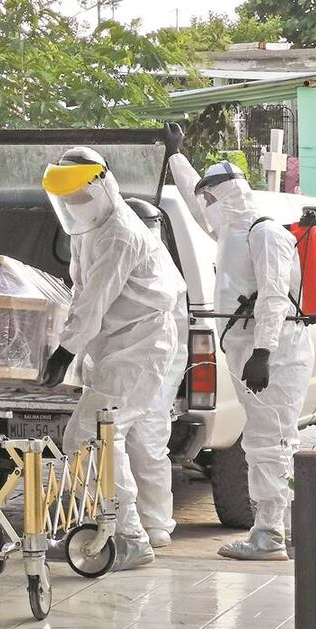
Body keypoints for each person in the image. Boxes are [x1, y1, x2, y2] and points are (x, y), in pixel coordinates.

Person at [164, 123, 314, 561]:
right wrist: (176, 156)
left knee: (269, 442)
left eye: (212, 198)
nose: (205, 206)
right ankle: (292, 525)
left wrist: (264, 352)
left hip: (277, 352)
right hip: (249, 349)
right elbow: (195, 200)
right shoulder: (231, 230)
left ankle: (270, 534)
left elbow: (272, 296)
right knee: (274, 441)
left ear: (227, 196)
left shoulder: (265, 234)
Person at [39, 147, 181, 571]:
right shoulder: (88, 230)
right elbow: (82, 295)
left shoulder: (119, 231)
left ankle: (129, 536)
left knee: (97, 436)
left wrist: (64, 352)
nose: (73, 206)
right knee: (84, 438)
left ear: (102, 186)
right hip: (114, 345)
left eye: (79, 197)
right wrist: (71, 347)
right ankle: (93, 527)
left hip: (141, 345)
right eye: (67, 201)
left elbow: (94, 300)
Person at [123, 197, 189, 548]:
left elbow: (170, 337)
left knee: (147, 442)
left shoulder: (159, 269)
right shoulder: (122, 257)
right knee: (111, 443)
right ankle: (121, 518)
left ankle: (155, 521)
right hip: (124, 367)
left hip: (156, 369)